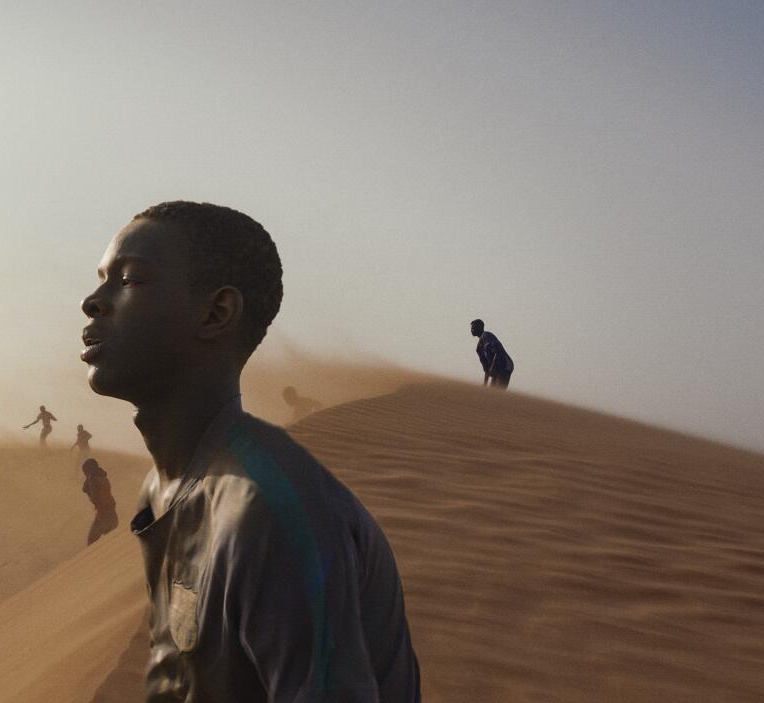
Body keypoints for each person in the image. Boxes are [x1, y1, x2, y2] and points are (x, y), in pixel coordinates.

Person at [80, 201, 420, 702]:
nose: (93, 301)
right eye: (101, 279)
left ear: (216, 312)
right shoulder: (164, 488)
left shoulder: (265, 509)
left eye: (128, 280)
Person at [81, 458, 119, 545]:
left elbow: (96, 499)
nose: (85, 474)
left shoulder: (93, 480)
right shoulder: (102, 476)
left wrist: (88, 491)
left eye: (85, 472)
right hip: (112, 514)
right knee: (110, 543)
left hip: (104, 516)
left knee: (91, 541)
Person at [470, 318, 514, 389]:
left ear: (480, 327)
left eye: (474, 328)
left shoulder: (487, 336)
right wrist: (485, 384)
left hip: (504, 366)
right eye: (471, 328)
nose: (472, 330)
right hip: (496, 370)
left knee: (499, 391)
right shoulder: (479, 348)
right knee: (491, 391)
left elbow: (498, 351)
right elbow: (486, 369)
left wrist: (492, 367)